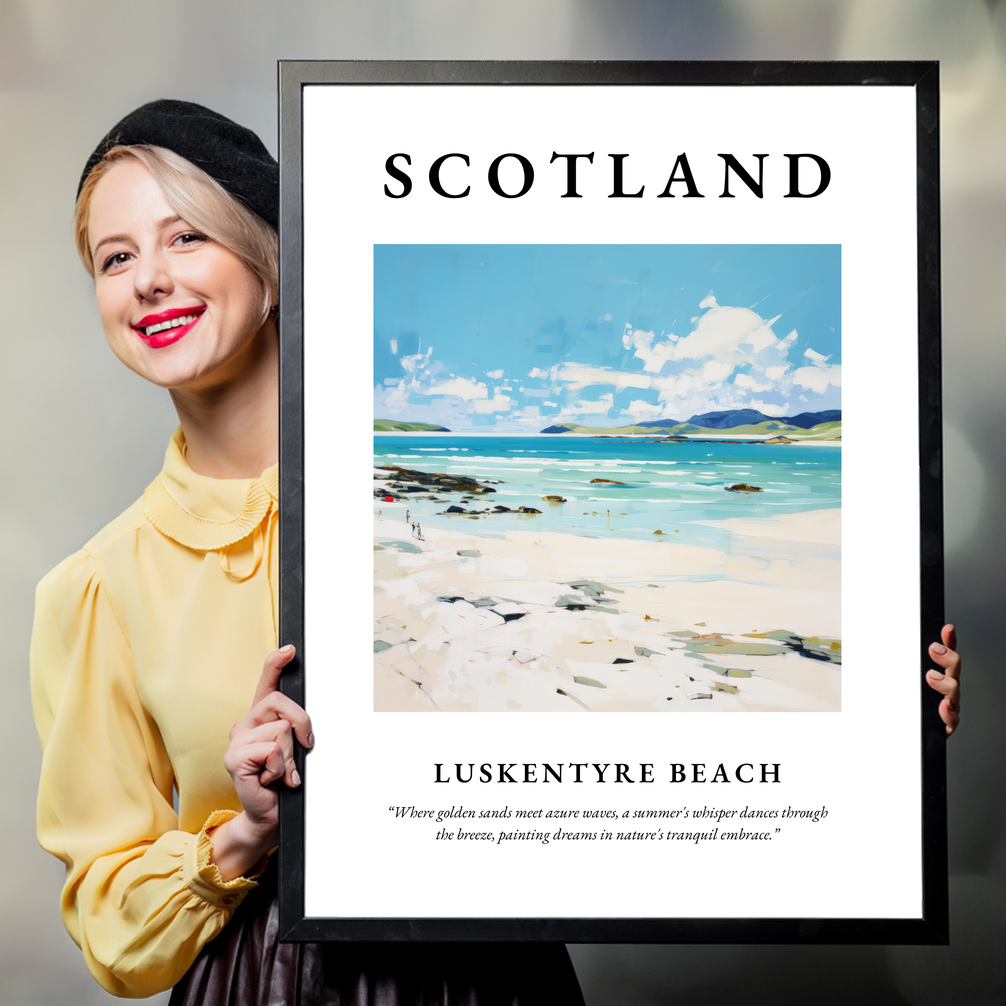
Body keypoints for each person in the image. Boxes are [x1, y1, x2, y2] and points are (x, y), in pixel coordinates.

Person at [30, 100, 585, 1004]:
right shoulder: (97, 587)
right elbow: (110, 924)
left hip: (492, 973)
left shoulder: (445, 502)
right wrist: (245, 832)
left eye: (186, 239)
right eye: (116, 257)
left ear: (273, 264)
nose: (148, 281)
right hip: (262, 982)